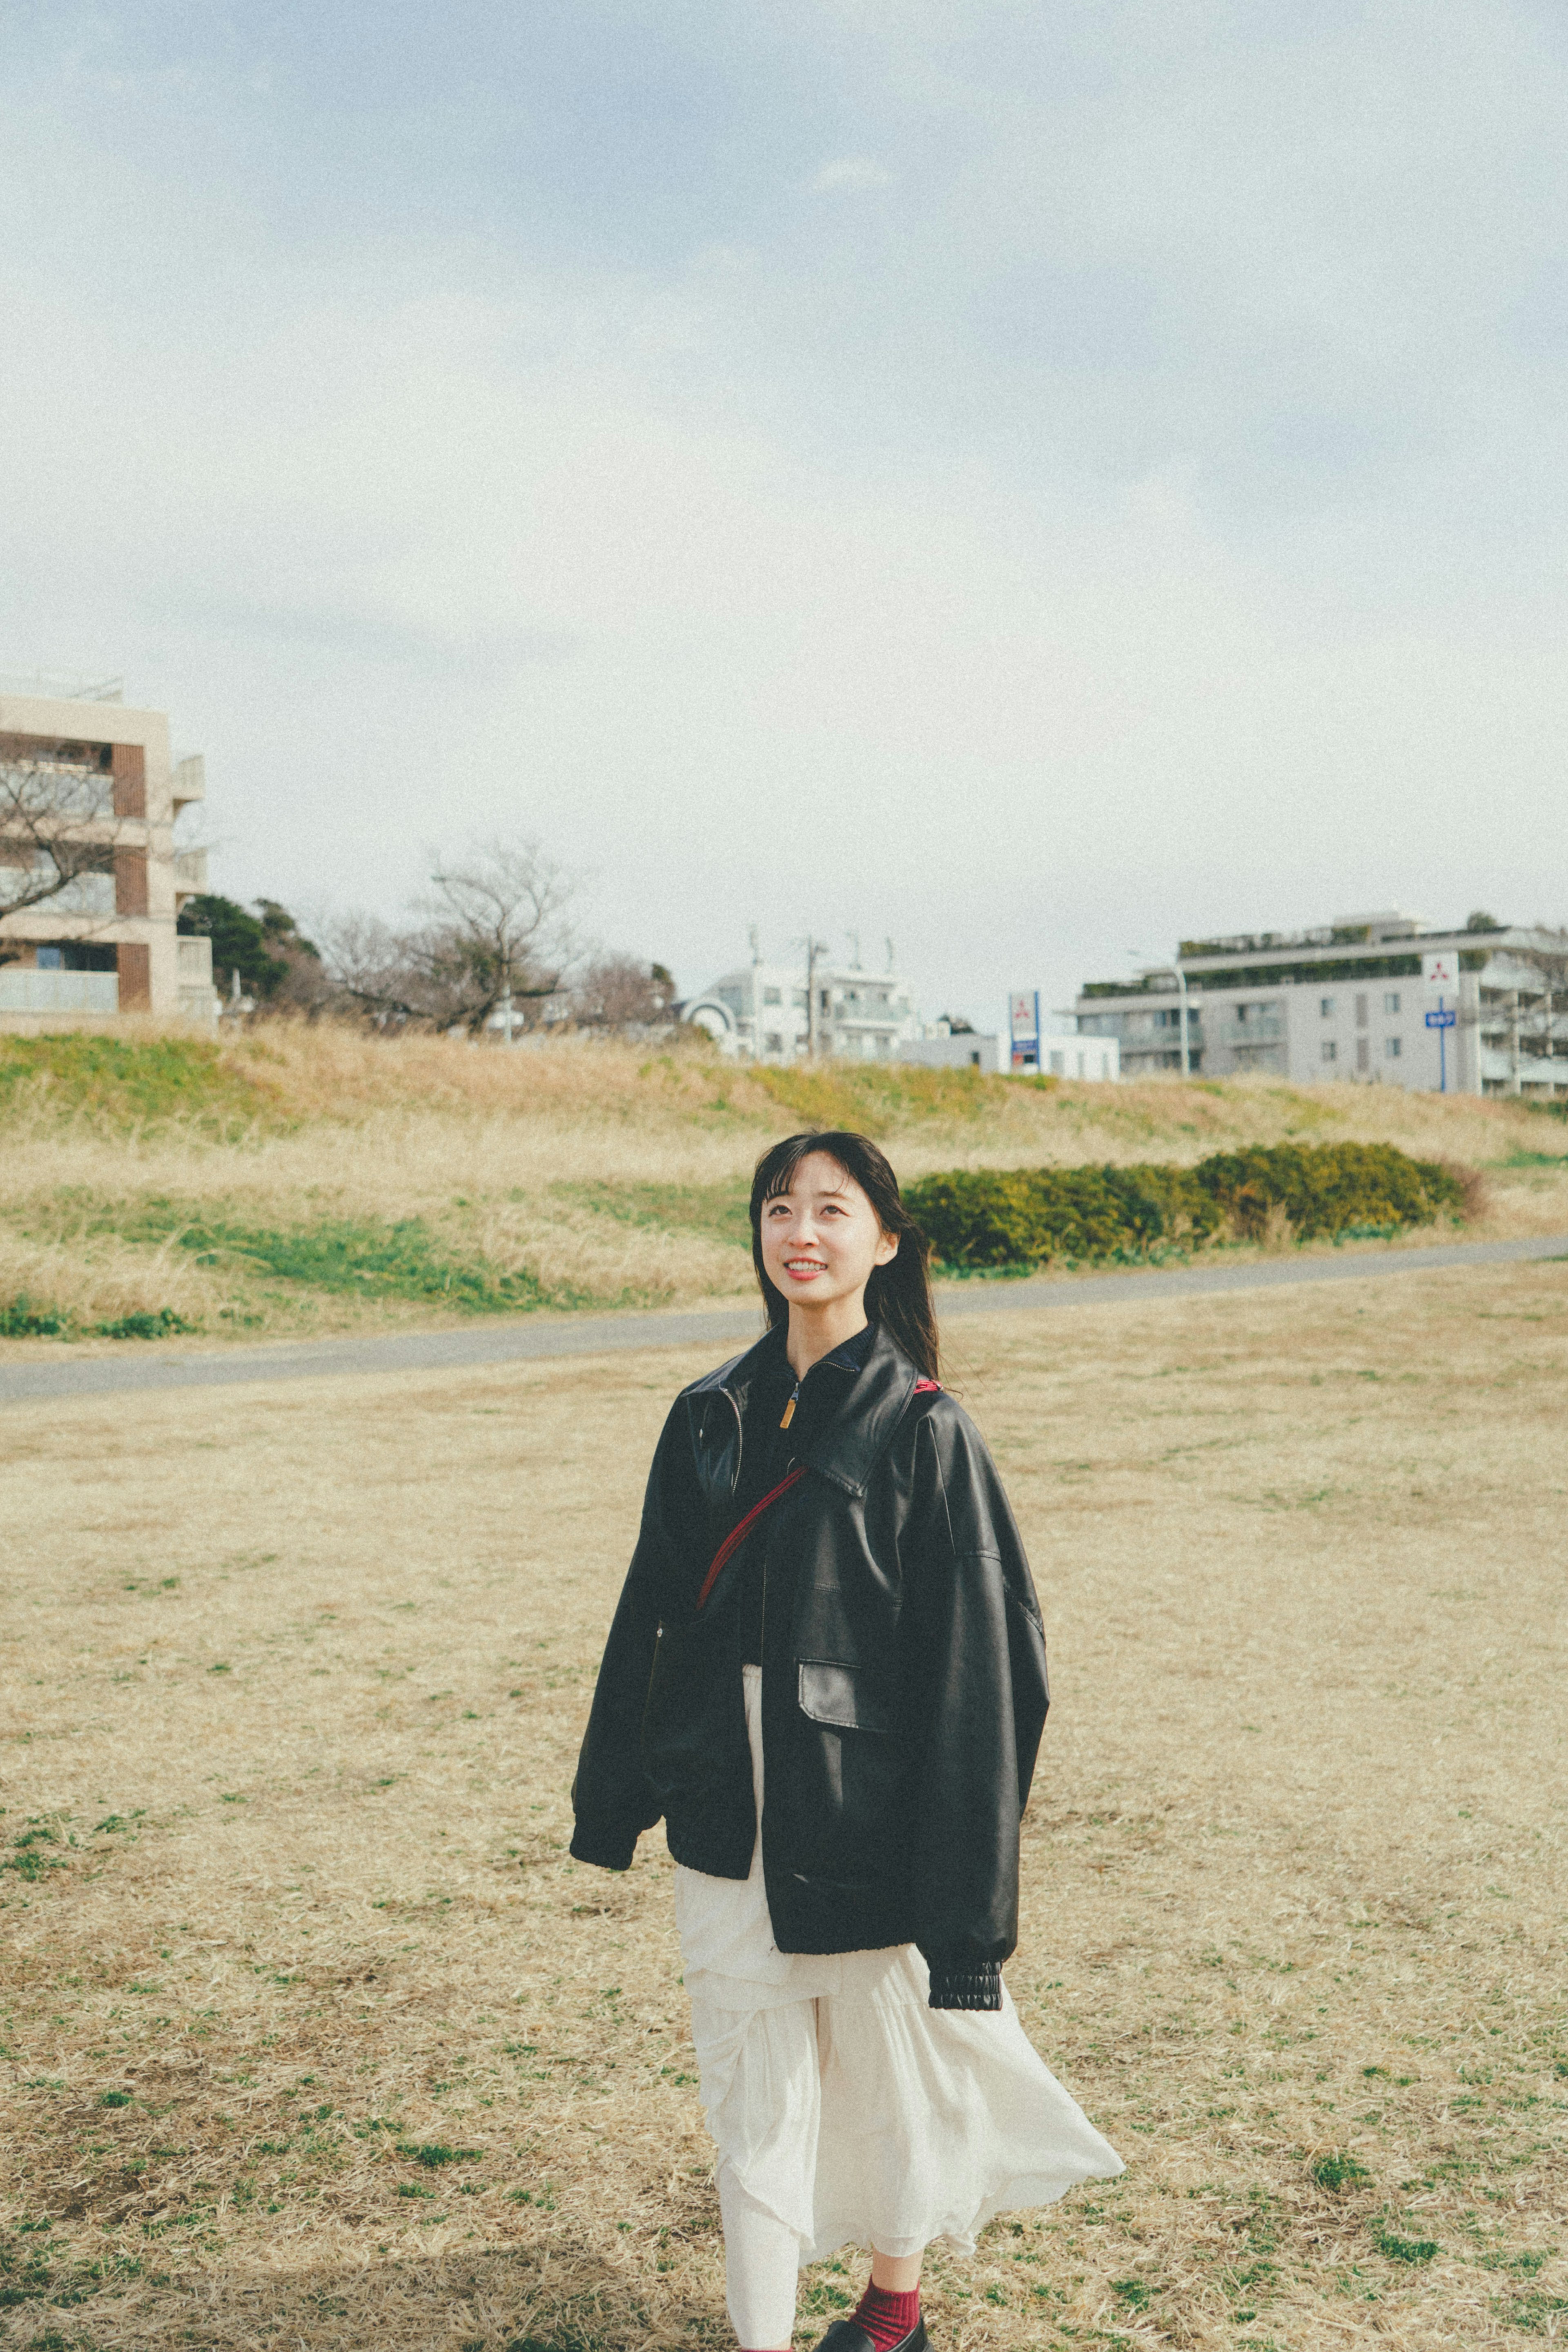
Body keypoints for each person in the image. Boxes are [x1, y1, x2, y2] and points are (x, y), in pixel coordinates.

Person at [569, 1129, 1122, 2352]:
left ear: (885, 1239)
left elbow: (986, 1677)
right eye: (778, 1209)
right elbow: (649, 1614)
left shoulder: (928, 1429)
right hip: (724, 1799)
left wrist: (969, 1918)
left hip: (867, 1806)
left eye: (831, 1209)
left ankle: (893, 2304)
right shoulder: (706, 1413)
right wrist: (612, 1800)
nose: (800, 1235)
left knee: (884, 2078)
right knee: (749, 2094)